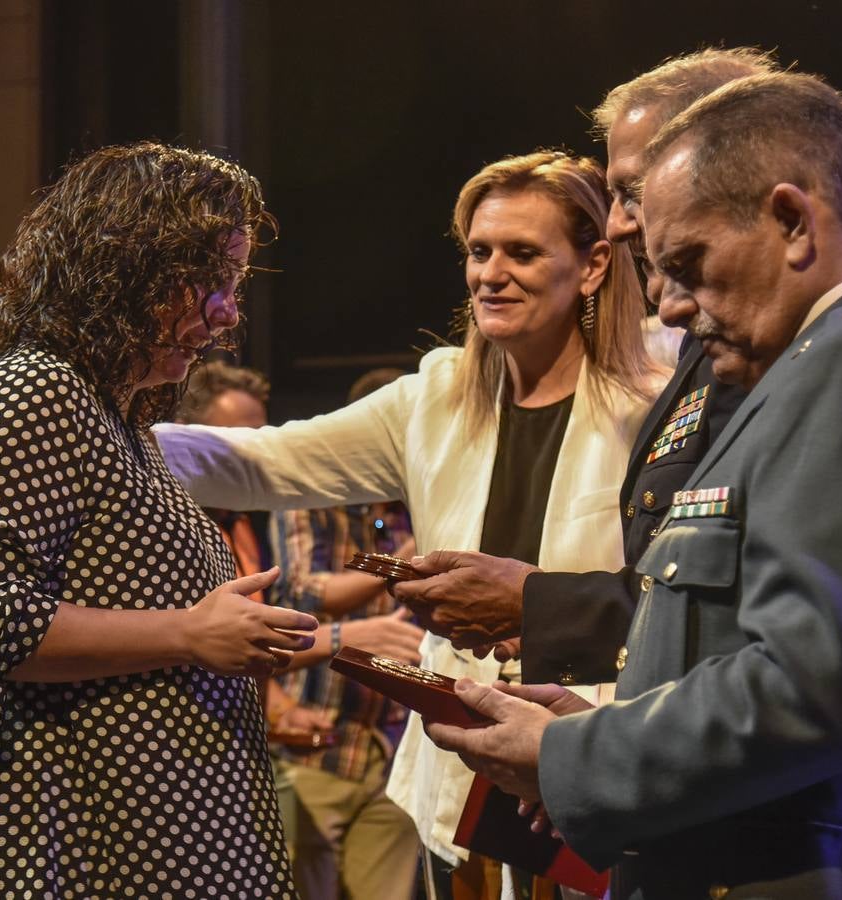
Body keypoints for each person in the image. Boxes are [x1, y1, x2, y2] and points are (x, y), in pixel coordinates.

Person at [425, 72, 842, 899]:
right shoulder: (821, 367)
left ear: (791, 220)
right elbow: (738, 641)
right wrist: (614, 728)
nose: (666, 304)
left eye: (686, 263)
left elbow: (813, 693)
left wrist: (572, 757)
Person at [154, 150, 666, 897]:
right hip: (456, 779)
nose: (491, 272)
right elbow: (260, 464)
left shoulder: (651, 406)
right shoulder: (433, 398)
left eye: (522, 252)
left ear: (592, 266)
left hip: (583, 772)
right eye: (478, 251)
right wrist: (91, 434)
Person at [0, 141, 319, 898]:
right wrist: (189, 634)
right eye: (206, 284)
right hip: (56, 854)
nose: (225, 313)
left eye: (232, 285)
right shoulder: (32, 393)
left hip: (141, 847)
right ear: (123, 271)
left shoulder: (124, 426)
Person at [393, 49, 773, 687]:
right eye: (478, 251)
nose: (621, 220)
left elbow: (769, 643)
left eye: (631, 191)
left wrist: (534, 605)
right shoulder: (706, 362)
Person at [267, 367, 422, 900]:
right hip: (322, 748)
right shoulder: (312, 501)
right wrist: (397, 563)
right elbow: (309, 593)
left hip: (396, 751)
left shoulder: (409, 511)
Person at [177, 361, 275, 600]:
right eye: (237, 437)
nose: (254, 453)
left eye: (259, 436)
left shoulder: (243, 518)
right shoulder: (173, 527)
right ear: (181, 436)